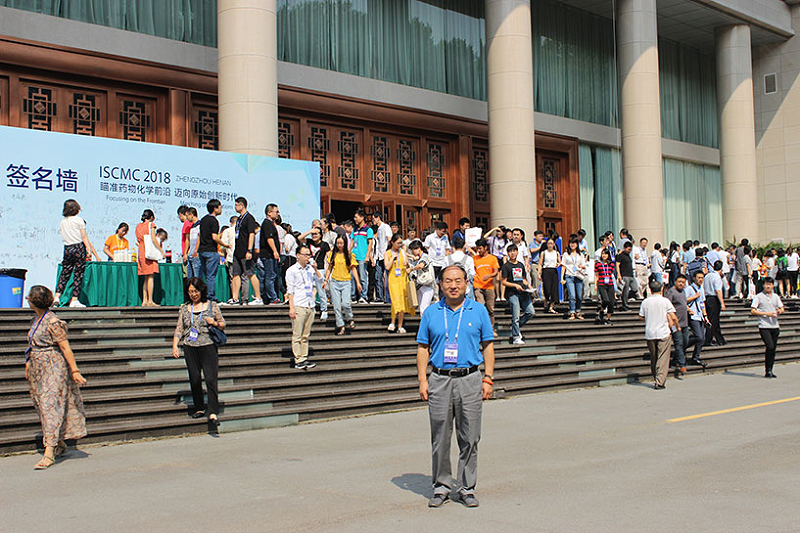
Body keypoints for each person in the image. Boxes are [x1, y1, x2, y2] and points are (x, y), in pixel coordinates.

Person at [415, 264, 494, 508]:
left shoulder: (478, 310)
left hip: (470, 378)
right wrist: (422, 379)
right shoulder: (431, 312)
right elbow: (422, 348)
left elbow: (488, 346)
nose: (453, 285)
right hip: (439, 379)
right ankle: (441, 486)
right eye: (448, 280)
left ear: (466, 282)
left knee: (470, 435)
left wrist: (488, 378)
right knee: (440, 435)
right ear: (440, 284)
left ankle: (467, 487)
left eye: (458, 280)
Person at [24, 285, 87, 469]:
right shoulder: (35, 319)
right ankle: (59, 444)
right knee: (41, 405)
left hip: (53, 366)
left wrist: (75, 371)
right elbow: (31, 344)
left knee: (49, 405)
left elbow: (65, 347)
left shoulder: (53, 321)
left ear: (33, 300)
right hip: (38, 367)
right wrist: (28, 363)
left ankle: (49, 452)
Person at [171, 277, 224, 423]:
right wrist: (175, 345)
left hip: (208, 345)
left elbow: (222, 324)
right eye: (190, 292)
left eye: (195, 291)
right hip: (190, 346)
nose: (193, 294)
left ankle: (213, 411)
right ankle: (199, 407)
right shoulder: (184, 308)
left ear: (201, 290)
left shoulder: (211, 306)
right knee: (194, 378)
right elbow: (179, 328)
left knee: (210, 378)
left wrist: (213, 322)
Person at [53, 199, 101, 308]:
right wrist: (88, 250)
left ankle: (57, 296)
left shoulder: (63, 222)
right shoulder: (79, 220)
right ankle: (74, 300)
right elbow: (84, 237)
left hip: (67, 248)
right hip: (78, 247)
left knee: (65, 273)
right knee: (78, 274)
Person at [638, 280, 678, 390]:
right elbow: (673, 317)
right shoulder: (665, 301)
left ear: (650, 289)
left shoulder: (645, 302)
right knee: (663, 357)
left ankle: (656, 377)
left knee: (654, 356)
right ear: (661, 289)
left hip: (650, 332)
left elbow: (641, 316)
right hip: (663, 332)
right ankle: (660, 381)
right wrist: (677, 327)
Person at [286, 244, 318, 370]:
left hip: (310, 304)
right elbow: (290, 290)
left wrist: (316, 269)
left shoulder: (310, 269)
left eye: (309, 255)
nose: (307, 257)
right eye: (305, 254)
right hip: (298, 304)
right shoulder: (292, 270)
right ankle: (298, 359)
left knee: (306, 334)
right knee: (297, 334)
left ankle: (304, 357)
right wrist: (291, 307)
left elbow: (320, 282)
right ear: (298, 256)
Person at [228, 197, 262, 305]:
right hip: (237, 250)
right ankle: (235, 298)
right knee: (236, 274)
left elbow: (251, 234)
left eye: (236, 205)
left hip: (245, 250)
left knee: (250, 273)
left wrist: (249, 250)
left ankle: (258, 298)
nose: (235, 207)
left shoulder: (249, 218)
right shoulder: (239, 219)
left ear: (242, 205)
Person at [325, 236, 361, 335]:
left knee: (346, 303)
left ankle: (350, 318)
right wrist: (325, 280)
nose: (339, 245)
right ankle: (341, 325)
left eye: (341, 243)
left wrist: (358, 282)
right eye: (338, 243)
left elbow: (353, 269)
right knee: (336, 306)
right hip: (335, 282)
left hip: (346, 282)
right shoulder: (333, 254)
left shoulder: (349, 255)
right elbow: (329, 268)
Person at [751, 276, 784, 378]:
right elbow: (753, 310)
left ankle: (769, 370)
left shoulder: (775, 296)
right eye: (766, 284)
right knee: (769, 346)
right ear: (763, 285)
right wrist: (766, 314)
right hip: (764, 325)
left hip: (775, 325)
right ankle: (768, 369)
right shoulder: (759, 296)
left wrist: (779, 311)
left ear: (773, 286)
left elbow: (782, 308)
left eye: (770, 284)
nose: (768, 286)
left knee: (773, 348)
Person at [502, 244, 534, 344]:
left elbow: (522, 279)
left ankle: (516, 327)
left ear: (517, 252)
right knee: (516, 315)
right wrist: (514, 285)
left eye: (514, 251)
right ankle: (516, 336)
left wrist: (528, 285)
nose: (512, 253)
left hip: (523, 292)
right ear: (508, 253)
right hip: (512, 293)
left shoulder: (520, 264)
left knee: (531, 312)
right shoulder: (506, 266)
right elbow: (503, 281)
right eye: (510, 251)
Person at [383, 234, 415, 333]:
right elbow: (387, 267)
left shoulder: (402, 252)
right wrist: (392, 258)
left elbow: (407, 263)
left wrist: (407, 263)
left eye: (401, 243)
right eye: (398, 243)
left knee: (402, 302)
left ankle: (400, 325)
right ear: (392, 242)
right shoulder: (387, 253)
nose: (399, 245)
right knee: (395, 301)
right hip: (393, 279)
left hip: (402, 279)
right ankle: (393, 322)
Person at [198, 199, 225, 302]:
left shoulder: (204, 219)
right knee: (211, 276)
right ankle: (210, 296)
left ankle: (204, 296)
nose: (221, 209)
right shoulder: (213, 220)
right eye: (220, 207)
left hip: (202, 250)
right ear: (215, 208)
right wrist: (225, 244)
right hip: (211, 251)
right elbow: (214, 237)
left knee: (205, 275)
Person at [136, 209, 164, 307]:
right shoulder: (151, 225)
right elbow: (153, 239)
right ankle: (150, 300)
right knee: (150, 276)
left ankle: (144, 300)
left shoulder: (138, 226)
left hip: (141, 251)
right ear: (151, 217)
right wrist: (160, 250)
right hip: (149, 251)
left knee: (145, 276)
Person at [472, 238, 499, 330]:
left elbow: (496, 272)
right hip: (478, 286)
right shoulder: (474, 259)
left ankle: (491, 328)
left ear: (486, 247)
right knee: (480, 306)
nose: (478, 251)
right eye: (477, 249)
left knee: (490, 309)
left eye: (480, 248)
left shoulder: (493, 258)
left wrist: (489, 276)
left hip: (489, 286)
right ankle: (480, 327)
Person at [665, 274, 690, 379]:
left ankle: (676, 360)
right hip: (675, 324)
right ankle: (682, 364)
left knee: (685, 342)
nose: (681, 284)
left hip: (684, 323)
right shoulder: (671, 292)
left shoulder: (683, 292)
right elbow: (666, 306)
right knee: (679, 343)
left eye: (683, 282)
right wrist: (671, 322)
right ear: (675, 281)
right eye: (679, 282)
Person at [684, 271, 709, 368]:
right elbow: (683, 300)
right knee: (698, 336)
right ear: (694, 278)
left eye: (702, 278)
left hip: (700, 316)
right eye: (699, 277)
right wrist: (694, 297)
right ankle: (682, 346)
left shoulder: (701, 289)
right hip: (693, 315)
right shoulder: (689, 288)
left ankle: (696, 357)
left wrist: (705, 315)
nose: (700, 280)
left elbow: (702, 303)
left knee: (702, 338)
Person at [259, 204, 282, 305]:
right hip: (268, 254)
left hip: (270, 255)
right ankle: (273, 298)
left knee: (272, 275)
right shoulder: (267, 223)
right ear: (269, 212)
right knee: (270, 275)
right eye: (276, 212)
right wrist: (274, 251)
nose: (277, 214)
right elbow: (269, 238)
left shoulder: (271, 223)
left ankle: (271, 297)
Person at [306, 226, 330, 320]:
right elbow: (300, 238)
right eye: (313, 234)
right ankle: (310, 308)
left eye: (316, 234)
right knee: (308, 288)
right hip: (309, 268)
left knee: (321, 290)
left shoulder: (324, 244)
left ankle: (324, 310)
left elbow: (329, 256)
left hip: (320, 269)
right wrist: (310, 231)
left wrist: (328, 268)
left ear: (321, 235)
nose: (314, 235)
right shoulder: (309, 242)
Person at [407, 240, 436, 315]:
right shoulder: (417, 259)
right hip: (420, 286)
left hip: (428, 286)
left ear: (419, 248)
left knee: (423, 309)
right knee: (422, 308)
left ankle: (426, 326)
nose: (412, 252)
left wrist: (411, 269)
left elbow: (421, 265)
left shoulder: (425, 256)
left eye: (413, 249)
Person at [351, 209, 374, 303]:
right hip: (354, 256)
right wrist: (348, 252)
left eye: (356, 217)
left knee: (363, 276)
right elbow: (352, 242)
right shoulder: (355, 229)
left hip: (362, 256)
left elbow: (370, 243)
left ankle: (363, 296)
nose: (355, 219)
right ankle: (353, 296)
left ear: (362, 217)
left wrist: (367, 256)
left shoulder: (368, 230)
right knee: (352, 276)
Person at [560, 237, 586, 320]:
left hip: (578, 276)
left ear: (577, 244)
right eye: (571, 243)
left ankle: (578, 311)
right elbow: (563, 266)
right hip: (569, 275)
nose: (572, 244)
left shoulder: (580, 255)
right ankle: (572, 312)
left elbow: (584, 266)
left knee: (579, 296)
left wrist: (581, 266)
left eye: (574, 243)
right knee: (572, 295)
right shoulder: (566, 254)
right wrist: (562, 278)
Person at [703, 260, 727, 346]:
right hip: (714, 299)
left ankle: (720, 339)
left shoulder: (707, 276)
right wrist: (722, 303)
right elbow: (718, 290)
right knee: (713, 320)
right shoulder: (717, 277)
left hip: (707, 298)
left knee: (714, 319)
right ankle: (707, 340)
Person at [372, 211, 393, 303]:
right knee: (378, 277)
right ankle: (380, 297)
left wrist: (388, 253)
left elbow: (389, 239)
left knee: (387, 277)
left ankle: (388, 297)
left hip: (385, 256)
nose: (373, 221)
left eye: (373, 218)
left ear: (378, 218)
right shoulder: (379, 229)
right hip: (378, 256)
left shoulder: (386, 227)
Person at [538, 238, 560, 314]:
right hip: (546, 270)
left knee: (554, 289)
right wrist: (539, 273)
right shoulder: (544, 253)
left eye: (551, 243)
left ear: (554, 244)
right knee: (547, 288)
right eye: (549, 243)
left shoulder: (556, 253)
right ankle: (546, 300)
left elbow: (559, 262)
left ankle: (551, 307)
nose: (550, 245)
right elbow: (540, 263)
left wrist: (558, 264)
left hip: (553, 271)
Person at [595, 248, 615, 325]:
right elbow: (596, 275)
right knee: (606, 300)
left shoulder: (611, 264)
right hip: (601, 283)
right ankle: (601, 311)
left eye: (606, 254)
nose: (604, 255)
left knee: (611, 302)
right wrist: (596, 285)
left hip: (610, 283)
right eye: (603, 254)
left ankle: (608, 318)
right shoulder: (598, 264)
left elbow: (611, 273)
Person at [616, 241, 636, 311]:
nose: (629, 251)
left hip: (631, 275)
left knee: (635, 288)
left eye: (630, 249)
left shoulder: (628, 256)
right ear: (624, 248)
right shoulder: (621, 255)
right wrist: (619, 275)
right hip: (624, 275)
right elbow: (617, 265)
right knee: (626, 291)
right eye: (628, 249)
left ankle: (625, 297)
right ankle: (625, 304)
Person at [221, 216, 237, 292]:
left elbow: (223, 246)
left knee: (233, 278)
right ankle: (244, 299)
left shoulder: (227, 231)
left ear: (230, 223)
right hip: (242, 257)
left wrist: (225, 255)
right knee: (244, 279)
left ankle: (235, 297)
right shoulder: (243, 230)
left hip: (231, 257)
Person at [185, 207, 201, 278]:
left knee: (197, 278)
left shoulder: (200, 225)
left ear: (191, 214)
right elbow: (188, 240)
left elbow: (199, 238)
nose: (187, 218)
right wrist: (186, 252)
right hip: (190, 255)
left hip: (197, 255)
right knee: (190, 279)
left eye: (187, 216)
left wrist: (196, 250)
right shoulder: (191, 227)